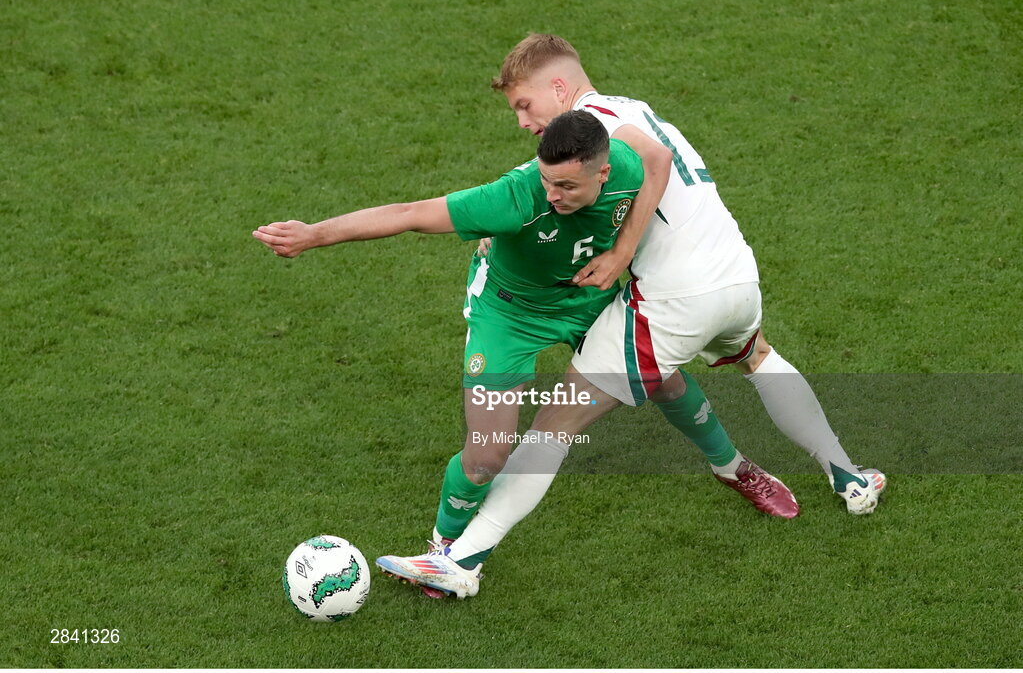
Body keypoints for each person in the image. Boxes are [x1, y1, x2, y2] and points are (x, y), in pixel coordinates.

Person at [373, 34, 885, 599]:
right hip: (737, 275)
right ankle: (844, 474)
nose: (522, 120)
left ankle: (462, 561)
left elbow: (648, 164)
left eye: (525, 104)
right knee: (753, 357)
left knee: (555, 425)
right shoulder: (632, 109)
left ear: (561, 88)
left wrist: (620, 253)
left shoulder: (597, 127)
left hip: (675, 296)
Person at [254, 111, 797, 600]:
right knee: (488, 454)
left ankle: (734, 469)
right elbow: (410, 213)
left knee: (666, 381)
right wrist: (314, 234)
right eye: (546, 179)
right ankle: (444, 546)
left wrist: (623, 250)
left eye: (566, 184)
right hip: (509, 316)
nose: (553, 194)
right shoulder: (515, 196)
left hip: (587, 298)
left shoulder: (627, 166)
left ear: (603, 173)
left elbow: (658, 157)